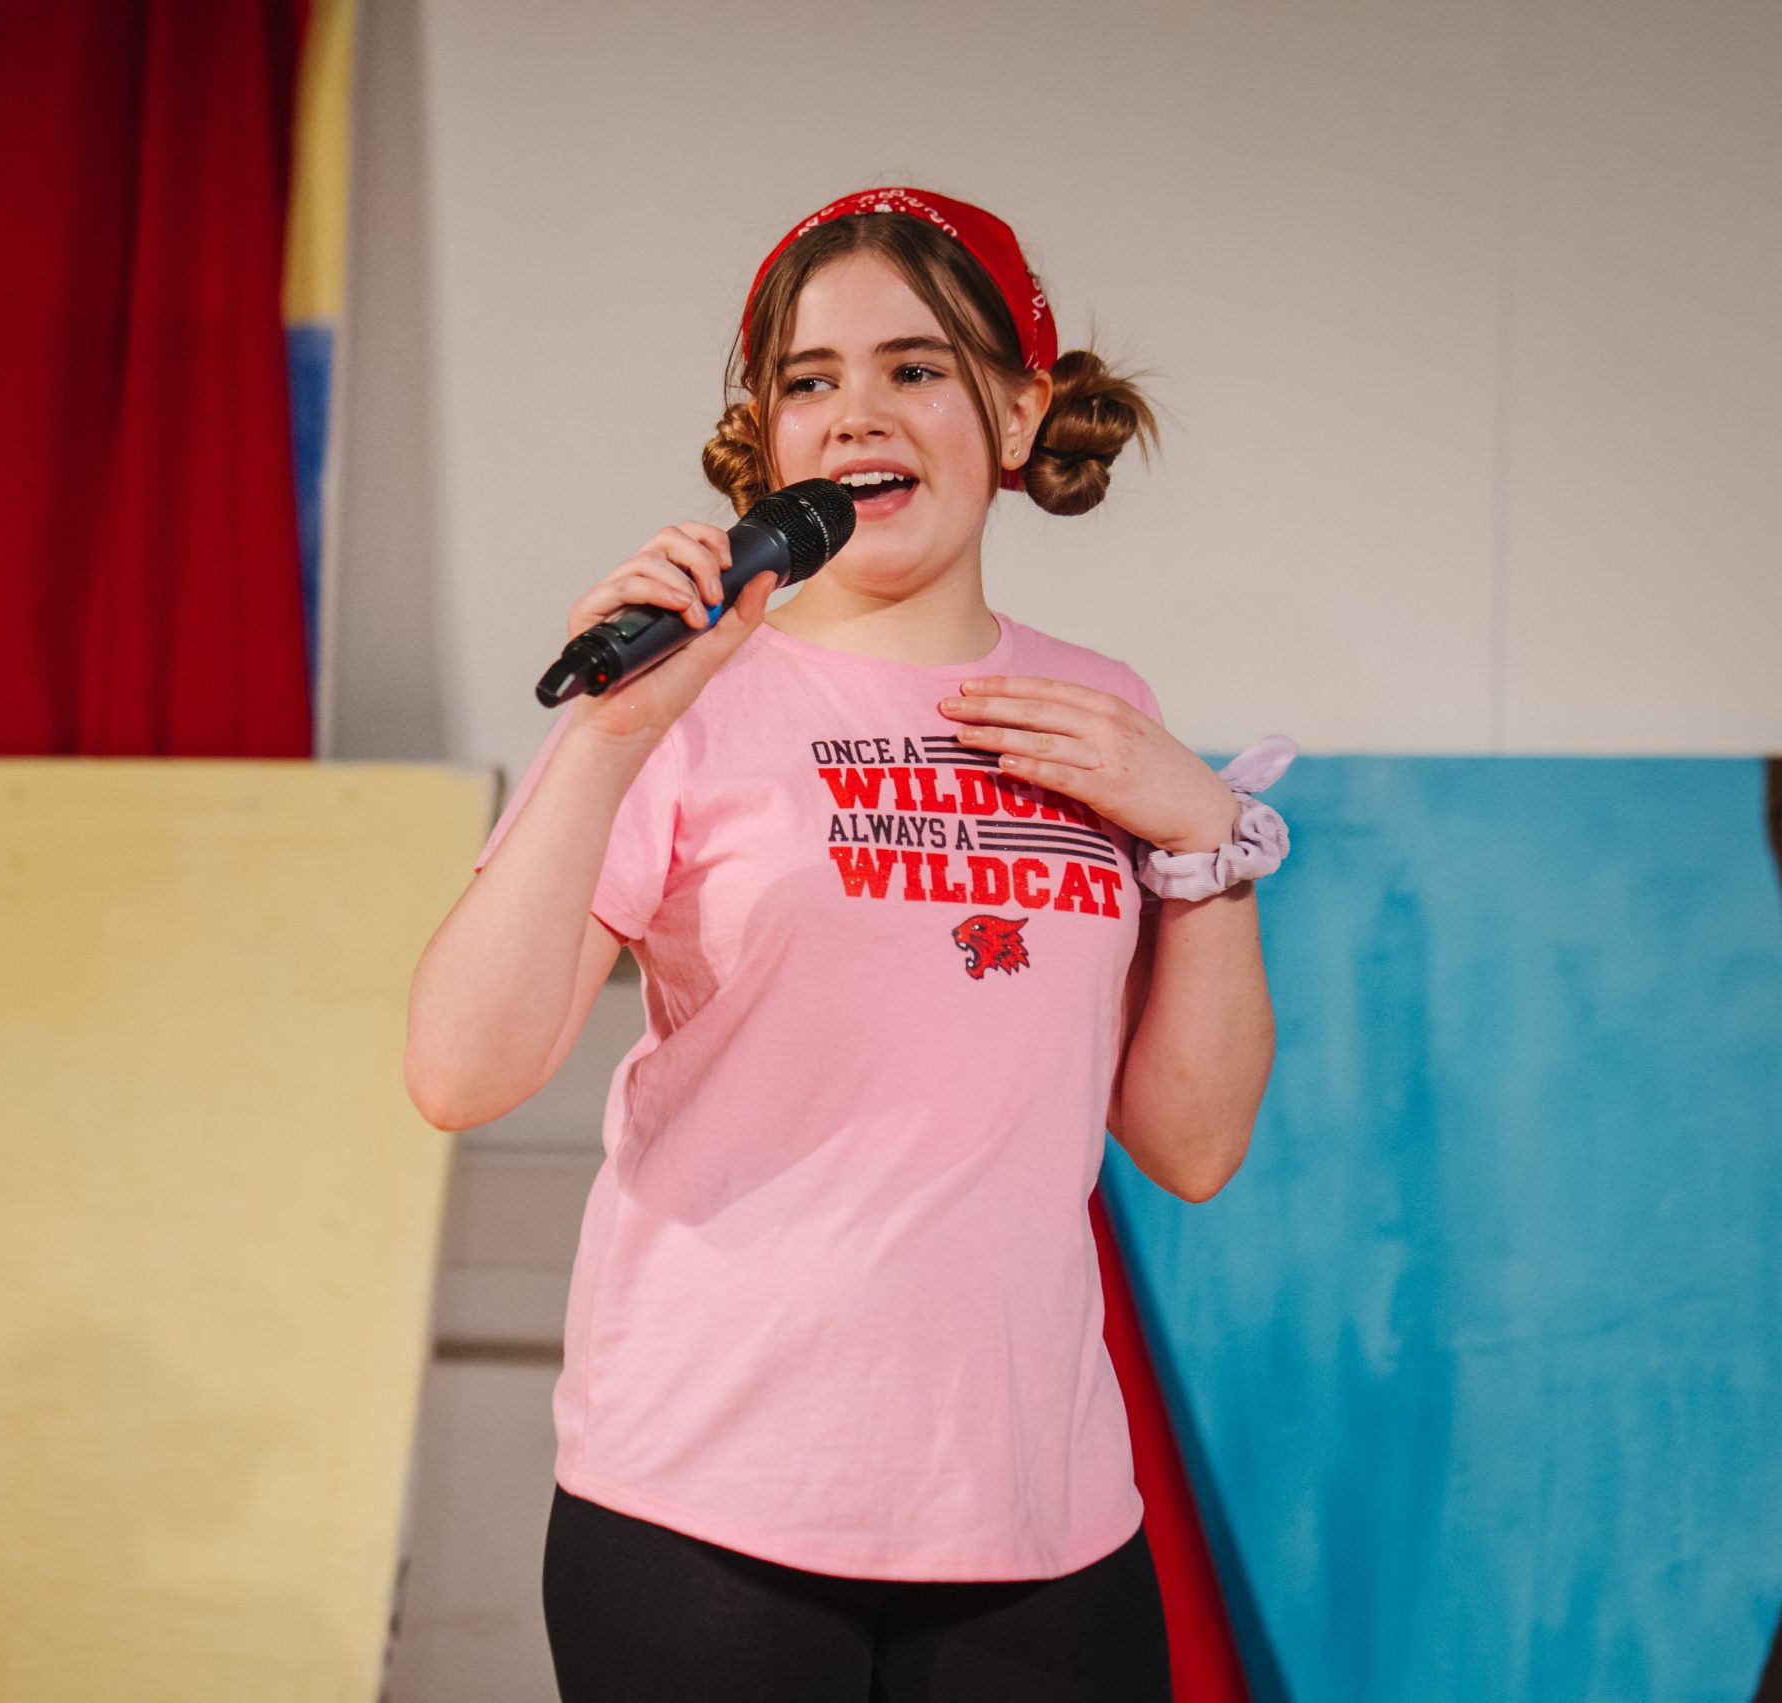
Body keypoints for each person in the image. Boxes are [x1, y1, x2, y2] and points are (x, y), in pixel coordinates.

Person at [403, 186, 1292, 1702]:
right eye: (808, 380)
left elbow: (1192, 1146)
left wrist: (1207, 842)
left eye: (914, 367)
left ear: (1019, 414)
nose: (856, 413)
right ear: (769, 438)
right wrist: (609, 738)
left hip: (1036, 1506)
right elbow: (457, 1072)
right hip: (704, 1502)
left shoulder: (1103, 708)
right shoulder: (685, 698)